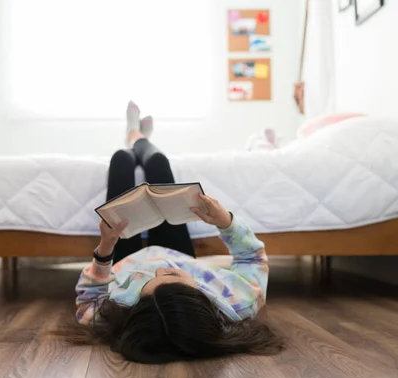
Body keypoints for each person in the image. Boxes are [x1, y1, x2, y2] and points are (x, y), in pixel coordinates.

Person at [67, 101, 284, 364]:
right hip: (179, 252)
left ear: (138, 308)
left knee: (121, 161)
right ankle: (141, 139)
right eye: (174, 276)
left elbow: (89, 299)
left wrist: (105, 249)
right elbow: (253, 259)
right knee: (158, 162)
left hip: (127, 258)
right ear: (200, 300)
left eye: (150, 283)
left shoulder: (118, 314)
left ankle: (132, 138)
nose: (161, 268)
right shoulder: (238, 304)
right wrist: (225, 222)